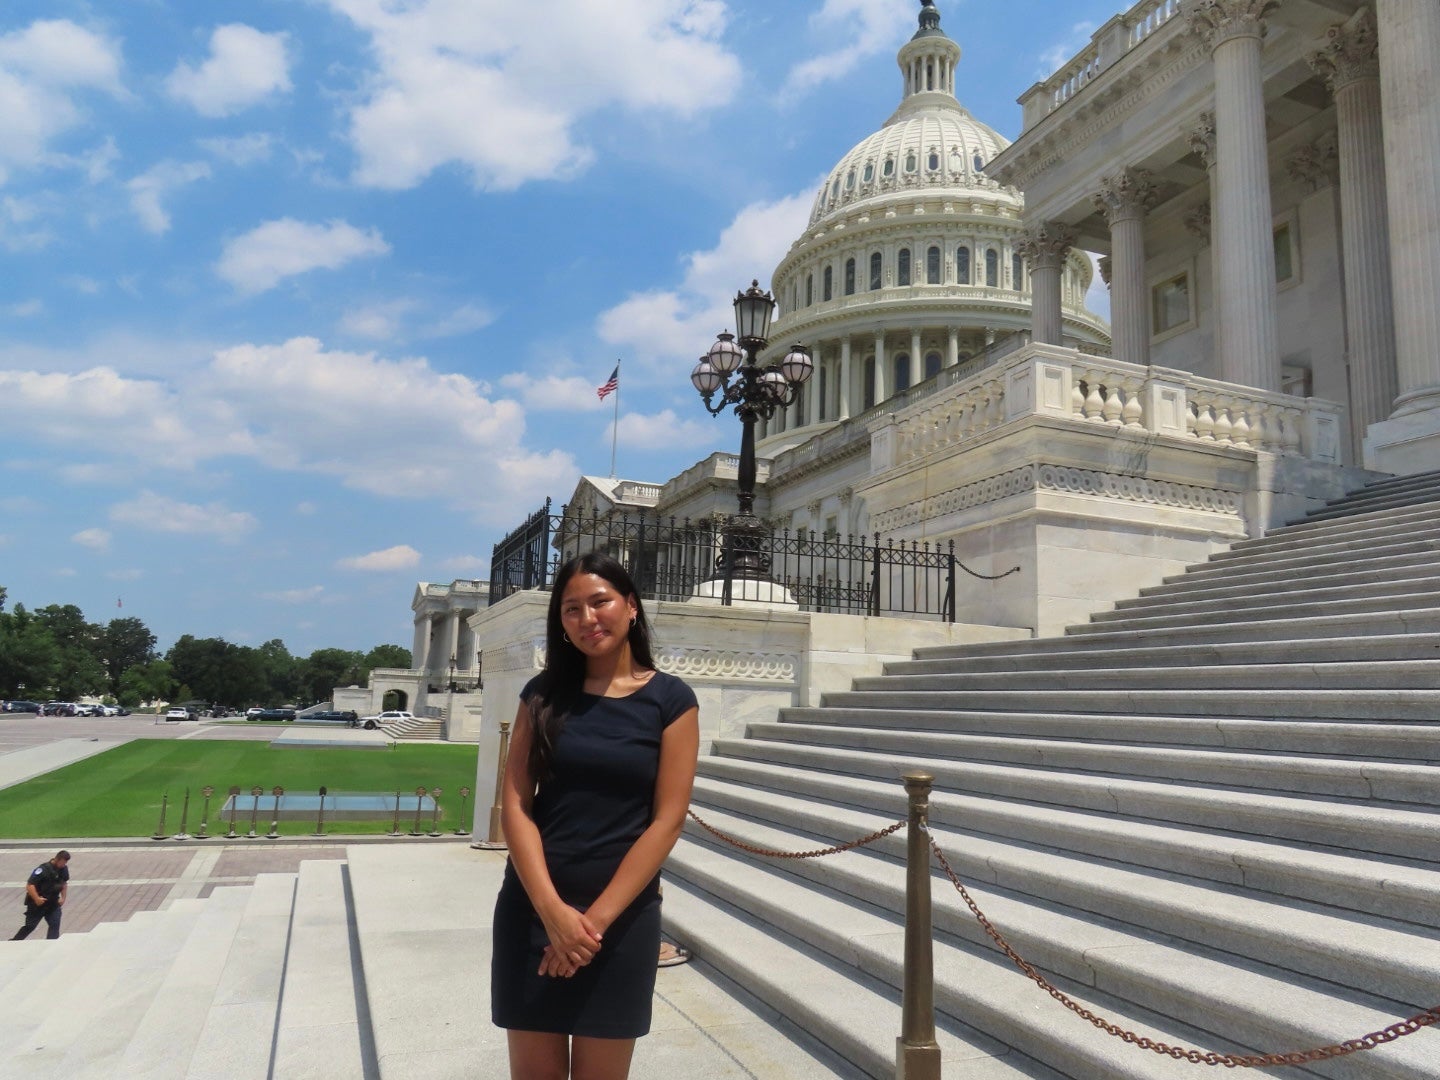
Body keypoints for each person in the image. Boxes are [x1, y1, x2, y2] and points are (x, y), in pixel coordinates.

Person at [491, 553, 700, 1080]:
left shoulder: (671, 700)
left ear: (631, 607)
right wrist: (554, 914)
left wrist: (590, 927)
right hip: (535, 908)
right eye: (571, 609)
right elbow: (515, 804)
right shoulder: (541, 696)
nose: (588, 619)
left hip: (620, 918)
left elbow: (667, 821)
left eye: (600, 602)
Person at [12, 850, 70, 940]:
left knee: (55, 924)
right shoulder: (43, 869)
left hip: (53, 903)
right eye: (63, 862)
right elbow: (30, 885)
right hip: (38, 904)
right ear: (57, 859)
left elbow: (64, 883)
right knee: (30, 926)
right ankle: (14, 942)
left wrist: (63, 898)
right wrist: (37, 899)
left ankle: (51, 944)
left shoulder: (63, 869)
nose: (64, 865)